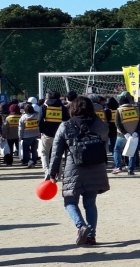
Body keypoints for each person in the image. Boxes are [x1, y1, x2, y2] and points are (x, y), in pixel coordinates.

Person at [47, 96, 110, 245]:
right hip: (96, 167)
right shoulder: (99, 123)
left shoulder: (66, 125)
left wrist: (53, 172)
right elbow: (105, 140)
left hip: (74, 168)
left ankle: (81, 226)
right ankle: (91, 236)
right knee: (90, 203)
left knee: (70, 202)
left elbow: (56, 152)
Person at [39, 91, 68, 174]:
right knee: (58, 154)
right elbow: (66, 121)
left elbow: (40, 120)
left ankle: (47, 171)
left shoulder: (44, 107)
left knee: (44, 153)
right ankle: (58, 173)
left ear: (48, 97)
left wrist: (42, 131)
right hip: (59, 135)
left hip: (47, 134)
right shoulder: (63, 108)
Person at [113, 92, 140, 175]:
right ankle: (131, 169)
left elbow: (117, 123)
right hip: (134, 135)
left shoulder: (119, 110)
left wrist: (125, 133)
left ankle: (118, 167)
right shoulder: (137, 109)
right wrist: (136, 131)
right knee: (132, 152)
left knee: (117, 150)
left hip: (121, 135)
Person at [19, 101, 41, 168]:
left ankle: (29, 161)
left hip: (26, 136)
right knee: (34, 150)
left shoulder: (23, 117)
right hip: (36, 135)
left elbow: (21, 128)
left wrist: (20, 137)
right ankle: (34, 161)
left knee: (26, 150)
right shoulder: (37, 116)